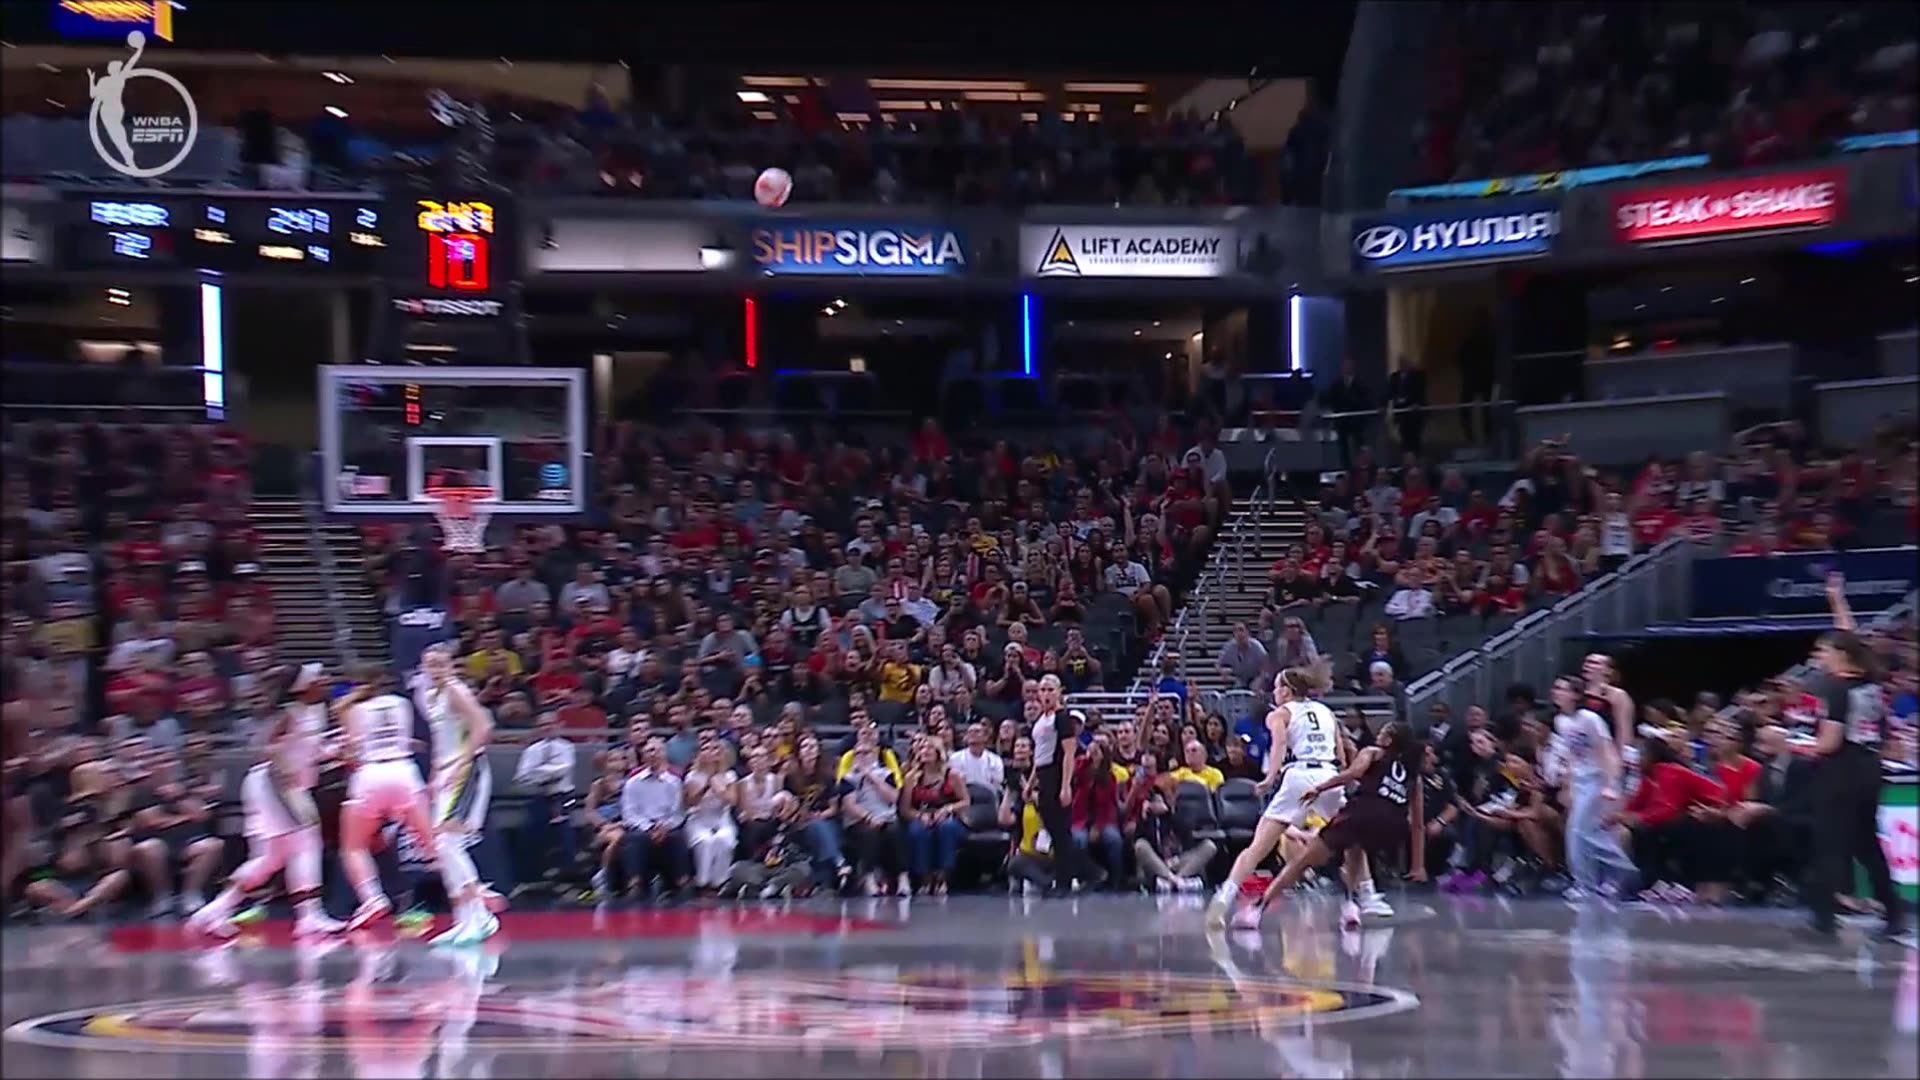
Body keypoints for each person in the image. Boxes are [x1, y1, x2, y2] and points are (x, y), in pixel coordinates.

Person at [1210, 666, 1391, 928]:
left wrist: (1271, 777)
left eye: (1275, 687)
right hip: (1328, 776)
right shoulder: (1327, 712)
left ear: (1285, 691)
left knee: (1258, 846)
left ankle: (1223, 898)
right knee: (1352, 840)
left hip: (1298, 776)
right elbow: (1340, 756)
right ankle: (1364, 897)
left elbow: (1279, 745)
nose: (1273, 692)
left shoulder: (1280, 713)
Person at [187, 663, 343, 938]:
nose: (326, 679)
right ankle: (310, 916)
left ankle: (214, 911)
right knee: (307, 844)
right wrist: (285, 769)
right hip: (275, 784)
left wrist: (335, 751)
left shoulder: (316, 710)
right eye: (320, 676)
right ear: (304, 686)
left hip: (280, 785)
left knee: (270, 858)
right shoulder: (290, 712)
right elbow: (264, 745)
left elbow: (310, 750)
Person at [1803, 574, 1907, 942]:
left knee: (1830, 843)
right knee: (1867, 844)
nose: (1820, 657)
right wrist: (1837, 601)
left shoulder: (1834, 688)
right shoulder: (1872, 679)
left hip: (1841, 771)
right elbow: (1849, 637)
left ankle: (1823, 920)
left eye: (1824, 652)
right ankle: (1894, 914)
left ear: (1839, 657)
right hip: (1870, 769)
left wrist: (1798, 746)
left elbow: (1828, 743)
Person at [1250, 721, 1426, 930]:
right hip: (1392, 826)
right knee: (1356, 847)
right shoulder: (1414, 775)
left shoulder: (1373, 752)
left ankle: (1259, 906)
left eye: (1381, 733)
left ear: (1388, 740)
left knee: (1303, 861)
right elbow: (1418, 825)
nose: (1377, 735)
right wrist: (1418, 865)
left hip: (1362, 812)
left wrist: (1320, 787)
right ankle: (1351, 903)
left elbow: (1353, 774)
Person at [336, 666, 441, 934]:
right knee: (434, 844)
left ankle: (372, 898)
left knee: (354, 846)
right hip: (404, 771)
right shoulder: (402, 704)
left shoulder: (354, 710)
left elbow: (350, 749)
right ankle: (470, 897)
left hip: (370, 774)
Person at [418, 645, 504, 944]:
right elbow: (441, 740)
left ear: (451, 665)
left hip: (466, 770)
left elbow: (483, 726)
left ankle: (479, 907)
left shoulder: (457, 691)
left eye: (441, 663)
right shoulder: (430, 696)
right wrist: (434, 774)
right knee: (443, 847)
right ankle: (467, 919)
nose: (436, 668)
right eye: (431, 664)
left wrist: (462, 764)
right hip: (445, 771)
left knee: (447, 841)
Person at [1547, 674, 1639, 901]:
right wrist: (1568, 783)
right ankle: (1600, 879)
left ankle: (1603, 878)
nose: (1555, 691)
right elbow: (1573, 755)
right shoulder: (1561, 721)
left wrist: (1610, 785)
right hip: (1580, 780)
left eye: (1561, 688)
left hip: (1598, 779)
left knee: (1579, 830)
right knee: (1583, 832)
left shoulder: (1589, 719)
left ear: (1575, 694)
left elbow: (1606, 752)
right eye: (1555, 687)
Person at [1029, 675, 1107, 893]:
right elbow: (1039, 753)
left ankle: (1066, 880)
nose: (1045, 694)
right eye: (1042, 689)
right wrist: (1032, 782)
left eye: (1050, 689)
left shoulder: (1061, 718)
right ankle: (1089, 872)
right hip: (1043, 773)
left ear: (1058, 692)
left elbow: (1069, 753)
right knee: (1055, 832)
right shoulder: (1041, 720)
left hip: (1056, 774)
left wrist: (1065, 786)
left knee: (1061, 832)